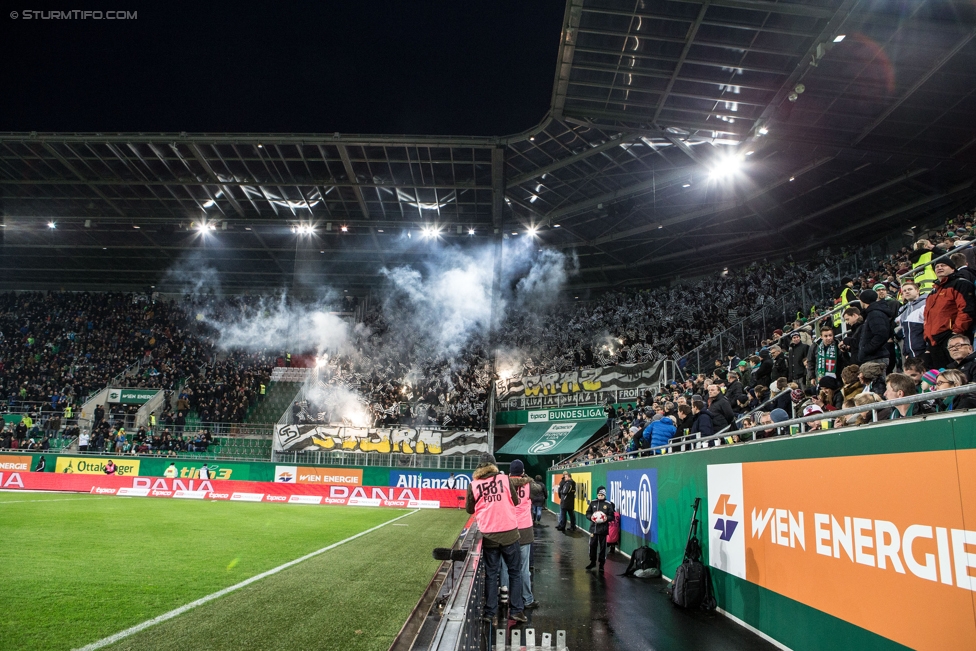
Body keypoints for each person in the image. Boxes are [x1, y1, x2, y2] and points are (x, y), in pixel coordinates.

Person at [465, 453, 526, 624]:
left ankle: (490, 613)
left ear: (479, 467)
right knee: (515, 573)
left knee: (491, 574)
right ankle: (516, 611)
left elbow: (469, 509)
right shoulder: (505, 479)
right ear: (494, 466)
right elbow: (515, 501)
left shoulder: (474, 484)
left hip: (489, 535)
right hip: (510, 534)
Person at [923, 259, 976, 369]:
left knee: (961, 372)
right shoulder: (933, 292)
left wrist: (956, 332)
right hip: (935, 341)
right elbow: (927, 318)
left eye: (943, 265)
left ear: (953, 268)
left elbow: (966, 309)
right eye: (937, 266)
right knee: (944, 376)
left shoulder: (960, 283)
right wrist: (927, 338)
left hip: (953, 337)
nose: (939, 268)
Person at [501, 460, 538, 610]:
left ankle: (504, 597)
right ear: (522, 472)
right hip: (524, 529)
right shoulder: (529, 485)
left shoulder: (503, 484)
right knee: (523, 567)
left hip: (507, 527)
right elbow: (538, 489)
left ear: (510, 472)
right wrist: (526, 478)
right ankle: (527, 599)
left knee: (505, 566)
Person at [857, 290, 893, 369]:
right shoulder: (873, 313)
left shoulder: (874, 314)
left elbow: (881, 334)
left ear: (863, 300)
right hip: (874, 358)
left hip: (875, 359)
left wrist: (866, 349)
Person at [584, 486, 615, 574]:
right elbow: (587, 513)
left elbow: (612, 516)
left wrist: (606, 518)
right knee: (592, 545)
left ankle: (601, 564)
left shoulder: (608, 504)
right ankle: (592, 561)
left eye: (602, 495)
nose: (600, 496)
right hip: (593, 528)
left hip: (603, 529)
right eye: (599, 495)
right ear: (597, 494)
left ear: (604, 495)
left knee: (602, 547)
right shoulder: (593, 502)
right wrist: (591, 517)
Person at [896, 281, 927, 360]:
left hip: (924, 349)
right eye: (904, 291)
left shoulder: (926, 303)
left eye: (910, 289)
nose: (907, 292)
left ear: (917, 291)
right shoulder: (903, 310)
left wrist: (929, 348)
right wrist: (906, 351)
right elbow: (905, 333)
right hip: (911, 351)